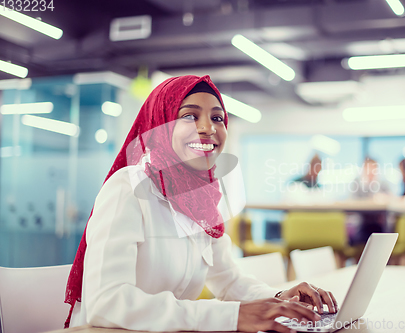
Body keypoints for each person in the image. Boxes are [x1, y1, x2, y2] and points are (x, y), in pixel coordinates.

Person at [64, 75, 337, 332]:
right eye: (190, 116)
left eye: (217, 118)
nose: (208, 128)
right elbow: (107, 302)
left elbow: (228, 280)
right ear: (161, 125)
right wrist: (231, 316)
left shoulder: (201, 198)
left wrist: (278, 300)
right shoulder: (128, 188)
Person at [347, 157, 392, 245]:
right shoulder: (357, 183)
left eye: (373, 169)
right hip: (362, 223)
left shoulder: (382, 183)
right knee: (362, 235)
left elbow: (390, 199)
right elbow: (352, 202)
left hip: (380, 224)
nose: (371, 172)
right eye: (368, 169)